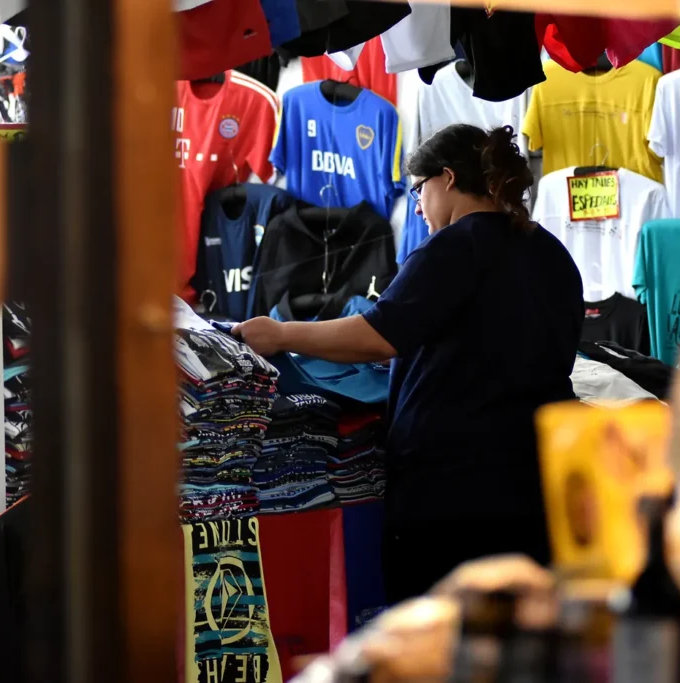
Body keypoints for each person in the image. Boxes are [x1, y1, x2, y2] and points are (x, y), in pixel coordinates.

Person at [233, 124, 584, 603]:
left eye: (418, 190)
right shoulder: (550, 251)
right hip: (536, 481)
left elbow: (378, 336)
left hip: (453, 491)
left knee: (437, 630)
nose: (416, 207)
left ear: (447, 178)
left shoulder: (454, 246)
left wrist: (281, 334)